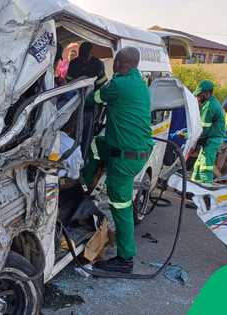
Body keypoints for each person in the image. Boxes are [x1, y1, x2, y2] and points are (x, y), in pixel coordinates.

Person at [85, 47, 153, 273]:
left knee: (121, 206)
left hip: (124, 159)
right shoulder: (138, 83)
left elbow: (92, 98)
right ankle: (84, 185)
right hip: (135, 151)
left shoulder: (120, 85)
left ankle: (125, 259)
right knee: (96, 144)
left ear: (119, 63)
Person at [191, 80, 226, 184]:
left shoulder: (209, 106)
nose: (198, 98)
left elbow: (202, 130)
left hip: (212, 140)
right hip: (211, 139)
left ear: (206, 93)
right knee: (198, 165)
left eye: (199, 95)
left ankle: (206, 193)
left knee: (205, 167)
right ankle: (193, 188)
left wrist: (192, 141)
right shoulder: (212, 103)